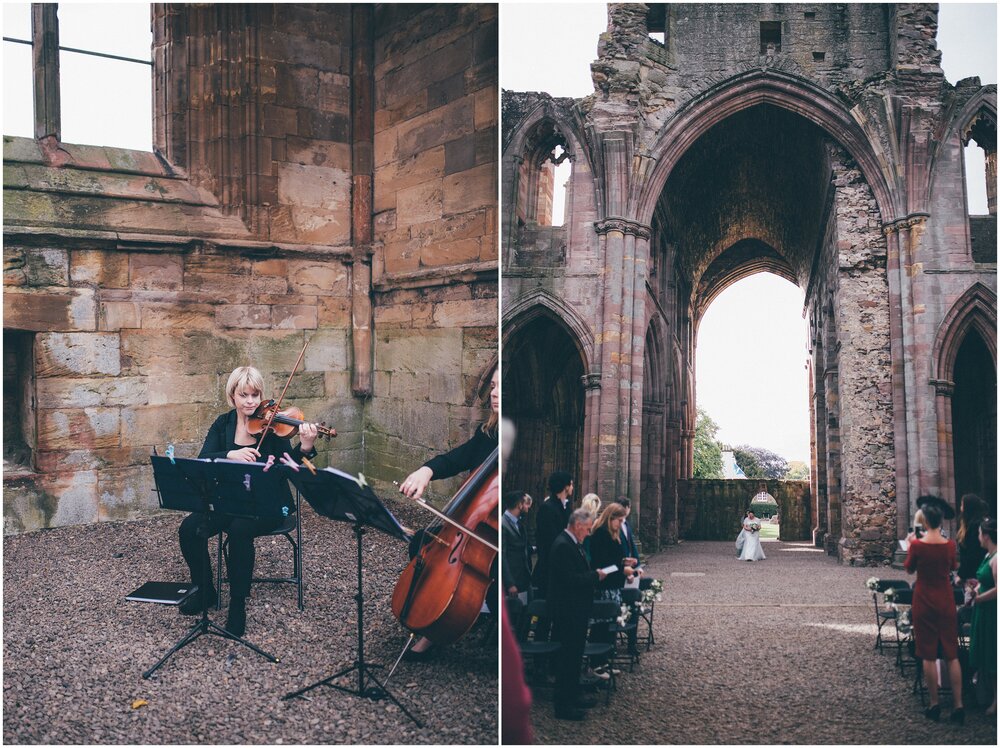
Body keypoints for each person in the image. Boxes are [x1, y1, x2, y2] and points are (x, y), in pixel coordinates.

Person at [178, 366, 319, 637]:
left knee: (239, 530)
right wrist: (231, 454)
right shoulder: (223, 424)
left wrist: (306, 447)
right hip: (230, 501)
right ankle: (205, 590)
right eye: (244, 395)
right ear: (233, 396)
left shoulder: (274, 427)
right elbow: (203, 458)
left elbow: (291, 468)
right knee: (189, 529)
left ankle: (237, 605)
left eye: (255, 395)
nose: (251, 402)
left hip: (268, 504)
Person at [397, 367, 499, 660]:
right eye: (492, 387)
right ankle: (432, 618)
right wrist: (426, 471)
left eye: (501, 388)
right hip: (468, 530)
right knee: (422, 543)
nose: (494, 393)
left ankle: (446, 624)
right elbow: (457, 458)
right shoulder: (488, 434)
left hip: (498, 539)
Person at [904, 496, 964, 723]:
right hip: (946, 599)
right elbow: (953, 567)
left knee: (928, 654)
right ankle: (958, 705)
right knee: (951, 653)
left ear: (925, 522)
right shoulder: (949, 545)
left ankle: (935, 703)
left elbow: (909, 569)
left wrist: (910, 545)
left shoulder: (918, 545)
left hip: (924, 600)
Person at [548, 508, 607, 721]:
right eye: (588, 529)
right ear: (578, 525)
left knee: (574, 656)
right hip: (568, 611)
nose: (589, 533)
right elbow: (570, 580)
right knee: (567, 658)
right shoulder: (563, 545)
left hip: (576, 610)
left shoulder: (572, 543)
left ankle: (573, 694)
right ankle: (564, 705)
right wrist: (595, 577)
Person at [588, 502, 640, 667]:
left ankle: (605, 661)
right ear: (611, 518)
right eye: (619, 520)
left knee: (609, 625)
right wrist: (622, 568)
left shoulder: (612, 533)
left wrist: (624, 561)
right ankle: (597, 664)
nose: (621, 523)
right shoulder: (601, 534)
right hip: (605, 587)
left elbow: (613, 558)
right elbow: (601, 562)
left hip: (613, 585)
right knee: (601, 626)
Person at [969, 517, 997, 716]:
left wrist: (980, 598)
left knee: (993, 655)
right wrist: (976, 587)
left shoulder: (997, 558)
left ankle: (996, 701)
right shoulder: (988, 556)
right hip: (983, 610)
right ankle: (986, 694)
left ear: (986, 535)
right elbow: (985, 580)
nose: (978, 536)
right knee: (987, 653)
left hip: (991, 612)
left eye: (979, 533)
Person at [532, 471, 574, 591]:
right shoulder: (547, 508)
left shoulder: (565, 507)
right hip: (551, 567)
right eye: (571, 484)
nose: (572, 487)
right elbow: (548, 539)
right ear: (565, 487)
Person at [502, 490, 533, 604]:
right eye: (525, 503)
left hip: (524, 578)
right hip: (513, 581)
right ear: (519, 504)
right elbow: (503, 556)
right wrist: (510, 583)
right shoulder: (503, 524)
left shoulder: (519, 523)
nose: (527, 507)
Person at [957, 493, 988, 583]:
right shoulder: (968, 524)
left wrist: (961, 575)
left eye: (962, 505)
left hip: (974, 574)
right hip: (972, 572)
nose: (960, 508)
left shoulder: (975, 525)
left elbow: (972, 553)